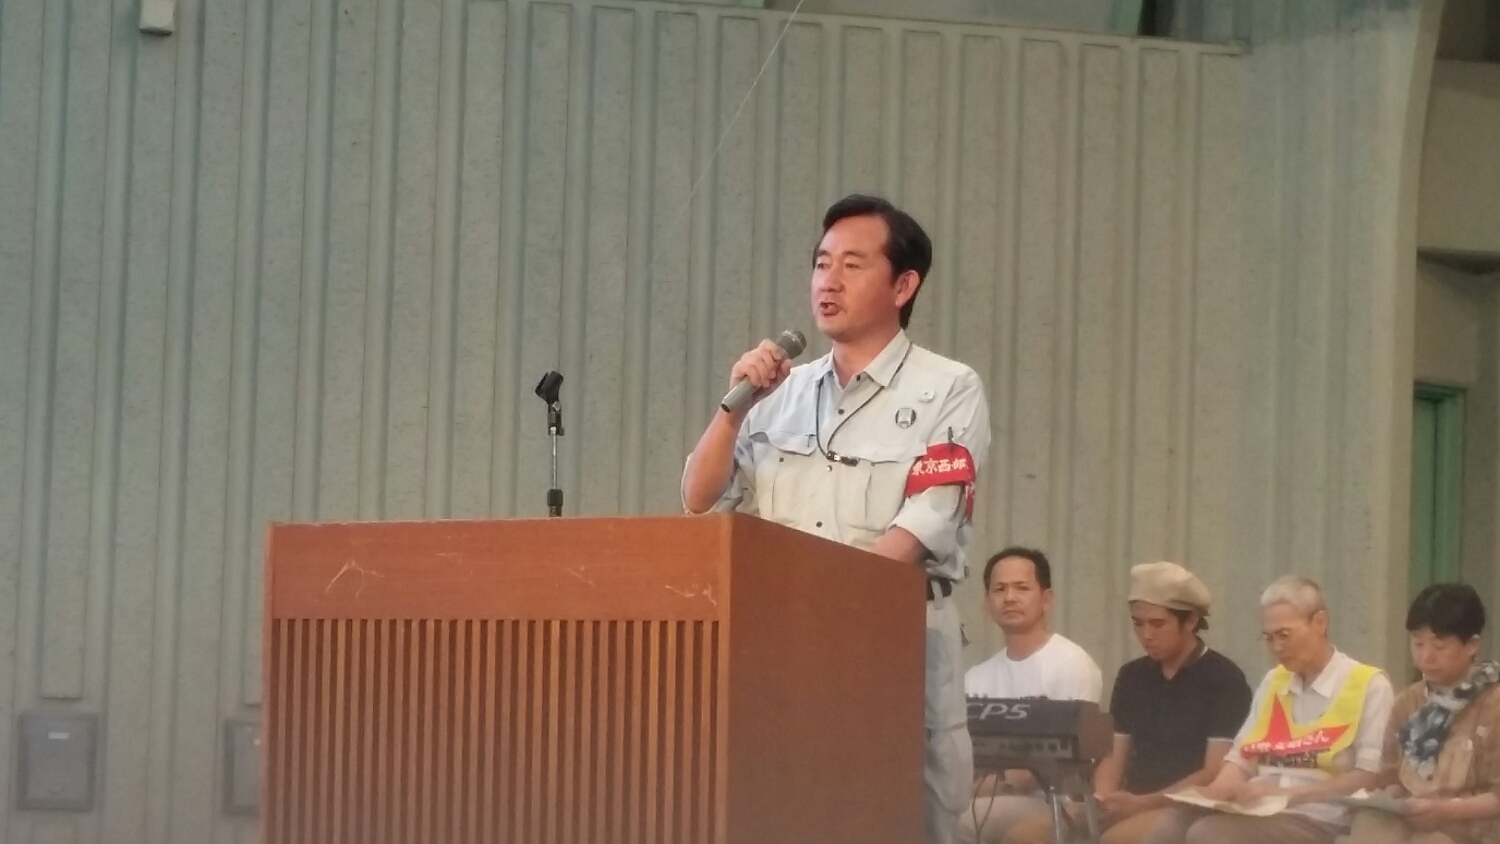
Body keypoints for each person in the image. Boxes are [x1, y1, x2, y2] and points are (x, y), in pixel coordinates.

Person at [680, 194, 992, 844]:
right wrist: (734, 408)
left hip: (895, 640)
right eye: (822, 263)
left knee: (917, 821)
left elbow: (927, 520)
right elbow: (698, 498)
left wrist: (830, 610)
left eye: (852, 265)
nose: (829, 280)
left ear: (903, 285)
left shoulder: (948, 388)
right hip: (782, 650)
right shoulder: (778, 393)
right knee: (781, 815)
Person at [1002, 561, 1252, 844]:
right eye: (1138, 623)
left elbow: (1214, 770)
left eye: (1157, 624)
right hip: (1129, 799)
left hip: (1185, 806)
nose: (1146, 635)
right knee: (1022, 836)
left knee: (1118, 840)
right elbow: (1115, 753)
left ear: (1191, 621)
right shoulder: (1133, 675)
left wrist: (1144, 803)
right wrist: (1103, 796)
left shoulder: (1224, 679)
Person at [1143, 575, 1395, 844]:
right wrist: (1218, 791)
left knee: (1210, 834)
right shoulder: (1275, 681)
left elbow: (1369, 777)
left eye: (1285, 635)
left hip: (1318, 816)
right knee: (1169, 826)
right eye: (1268, 638)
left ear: (1320, 623)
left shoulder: (1368, 685)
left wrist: (1287, 795)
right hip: (1258, 808)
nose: (1277, 648)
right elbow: (1241, 757)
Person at [959, 548, 1103, 844]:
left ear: (1046, 599)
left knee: (957, 822)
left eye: (1022, 588)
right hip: (980, 796)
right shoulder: (976, 677)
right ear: (987, 603)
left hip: (1055, 802)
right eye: (1000, 589)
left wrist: (973, 791)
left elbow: (1065, 760)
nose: (1010, 597)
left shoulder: (1072, 664)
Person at [1350, 583, 1500, 844]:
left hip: (1473, 828)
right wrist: (1391, 797)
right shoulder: (1407, 703)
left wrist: (1446, 811)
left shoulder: (1493, 704)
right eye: (1418, 644)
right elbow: (1391, 777)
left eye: (1439, 646)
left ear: (1472, 645)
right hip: (1414, 820)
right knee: (1370, 822)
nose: (1426, 657)